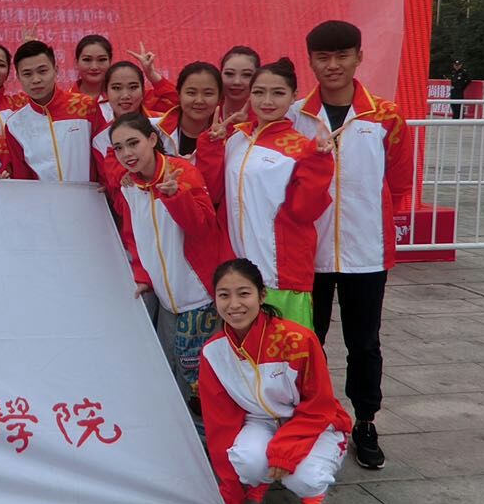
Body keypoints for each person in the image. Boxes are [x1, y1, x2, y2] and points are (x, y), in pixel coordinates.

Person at [289, 20, 413, 470]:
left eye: (342, 56)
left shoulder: (385, 116)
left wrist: (387, 228)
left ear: (359, 56)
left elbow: (399, 182)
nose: (333, 65)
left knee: (364, 344)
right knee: (309, 341)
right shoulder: (294, 115)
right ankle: (313, 417)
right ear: (310, 61)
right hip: (309, 253)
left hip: (366, 252)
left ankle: (364, 421)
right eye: (323, 57)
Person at [199, 258, 351, 504]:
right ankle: (258, 483)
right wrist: (233, 498)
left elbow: (320, 405)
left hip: (314, 422)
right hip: (259, 421)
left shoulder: (298, 340)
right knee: (247, 461)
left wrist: (284, 452)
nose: (234, 304)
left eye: (244, 293)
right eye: (224, 295)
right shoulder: (213, 352)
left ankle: (314, 497)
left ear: (262, 295)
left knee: (304, 478)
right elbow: (219, 426)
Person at [196, 57, 334, 328]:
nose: (267, 101)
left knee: (286, 349)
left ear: (293, 96)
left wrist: (319, 163)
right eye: (259, 92)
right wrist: (211, 147)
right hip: (237, 271)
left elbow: (305, 211)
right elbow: (214, 193)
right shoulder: (236, 139)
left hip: (280, 273)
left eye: (278, 93)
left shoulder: (302, 148)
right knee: (243, 348)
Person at [107, 114, 227, 423]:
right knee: (171, 372)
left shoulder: (183, 173)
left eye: (133, 143)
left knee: (199, 383)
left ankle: (206, 443)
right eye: (119, 148)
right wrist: (143, 278)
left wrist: (175, 196)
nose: (127, 153)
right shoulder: (129, 185)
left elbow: (203, 229)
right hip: (165, 299)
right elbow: (133, 237)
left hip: (198, 298)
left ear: (152, 139)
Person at [5, 40, 105, 182]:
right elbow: (23, 178)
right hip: (43, 196)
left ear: (56, 70)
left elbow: (104, 154)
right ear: (18, 77)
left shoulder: (85, 106)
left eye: (42, 71)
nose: (36, 80)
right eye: (27, 74)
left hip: (88, 194)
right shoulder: (15, 124)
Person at [154, 62, 223, 158]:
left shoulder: (227, 139)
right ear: (179, 94)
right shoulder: (153, 129)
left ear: (219, 98)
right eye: (191, 93)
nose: (199, 101)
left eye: (208, 93)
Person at [72, 34, 114, 121]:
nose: (94, 67)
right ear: (76, 62)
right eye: (87, 60)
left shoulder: (120, 99)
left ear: (110, 62)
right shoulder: (65, 101)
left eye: (101, 60)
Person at [219, 46, 260, 122]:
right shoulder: (207, 109)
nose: (237, 82)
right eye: (229, 73)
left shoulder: (265, 116)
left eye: (247, 74)